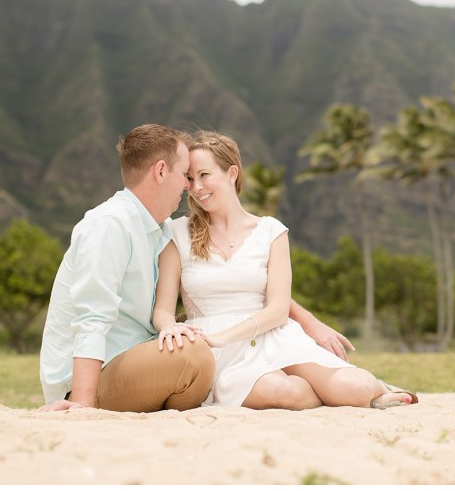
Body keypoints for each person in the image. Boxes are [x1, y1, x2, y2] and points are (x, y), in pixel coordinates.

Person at [38, 124, 351, 413]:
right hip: (91, 380)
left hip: (136, 359)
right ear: (161, 172)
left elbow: (245, 284)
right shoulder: (110, 225)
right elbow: (92, 316)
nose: (189, 187)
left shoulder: (159, 230)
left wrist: (308, 321)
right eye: (185, 175)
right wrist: (81, 401)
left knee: (196, 353)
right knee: (196, 355)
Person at [152, 130, 418, 410]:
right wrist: (171, 328)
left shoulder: (271, 231)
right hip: (216, 350)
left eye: (205, 175)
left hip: (272, 335)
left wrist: (226, 335)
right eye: (190, 179)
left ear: (231, 173)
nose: (196, 188)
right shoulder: (176, 232)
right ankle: (331, 397)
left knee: (355, 388)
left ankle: (371, 388)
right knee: (280, 391)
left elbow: (278, 309)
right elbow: (163, 309)